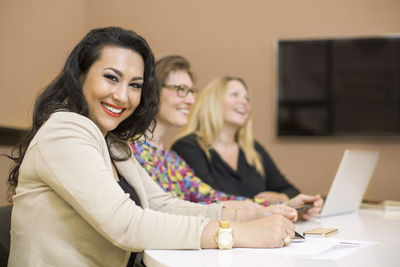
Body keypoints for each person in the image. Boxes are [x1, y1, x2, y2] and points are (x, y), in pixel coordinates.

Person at [7, 27, 295, 267]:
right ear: (80, 75)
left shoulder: (113, 143)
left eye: (135, 85)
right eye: (111, 77)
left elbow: (163, 205)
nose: (122, 96)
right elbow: (126, 224)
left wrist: (245, 214)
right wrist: (237, 233)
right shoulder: (63, 130)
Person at [130, 55, 297, 217]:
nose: (191, 100)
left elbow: (211, 197)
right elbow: (163, 209)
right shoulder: (128, 149)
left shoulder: (171, 159)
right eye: (181, 89)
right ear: (152, 90)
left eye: (191, 91)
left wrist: (282, 205)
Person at [172, 76, 323, 220]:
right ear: (213, 102)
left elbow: (291, 190)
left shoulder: (253, 149)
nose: (244, 101)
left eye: (247, 98)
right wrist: (280, 206)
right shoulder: (188, 147)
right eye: (235, 94)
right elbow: (214, 200)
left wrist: (283, 197)